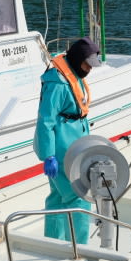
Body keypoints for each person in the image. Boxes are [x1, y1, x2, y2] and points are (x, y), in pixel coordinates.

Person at [33, 37, 102, 241]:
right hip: (63, 149)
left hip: (72, 143)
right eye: (87, 64)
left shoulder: (70, 73)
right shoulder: (58, 84)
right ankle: (79, 247)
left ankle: (53, 241)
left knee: (57, 196)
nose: (89, 69)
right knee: (78, 196)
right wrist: (49, 155)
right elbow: (46, 121)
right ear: (77, 59)